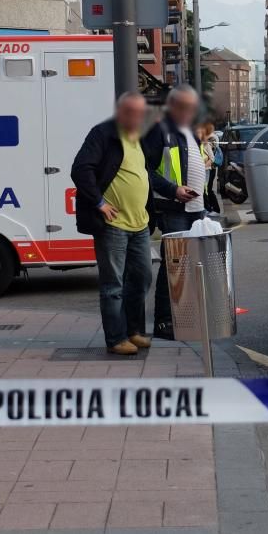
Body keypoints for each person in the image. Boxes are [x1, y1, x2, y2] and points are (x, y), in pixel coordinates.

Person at [71, 92, 153, 355]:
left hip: (139, 223)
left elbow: (143, 173)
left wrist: (173, 190)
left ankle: (134, 331)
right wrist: (99, 203)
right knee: (113, 285)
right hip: (114, 224)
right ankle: (116, 339)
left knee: (140, 279)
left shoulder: (137, 138)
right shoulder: (103, 134)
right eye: (133, 112)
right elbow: (80, 169)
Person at [142, 85, 206, 340]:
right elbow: (145, 170)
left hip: (195, 208)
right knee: (174, 265)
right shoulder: (160, 131)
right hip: (174, 208)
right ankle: (164, 321)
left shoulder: (190, 132)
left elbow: (195, 165)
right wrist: (173, 190)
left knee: (192, 266)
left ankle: (185, 316)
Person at [200, 121, 222, 214]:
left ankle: (212, 209)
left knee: (207, 190)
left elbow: (212, 158)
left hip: (207, 170)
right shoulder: (202, 142)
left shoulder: (208, 142)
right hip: (205, 170)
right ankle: (210, 208)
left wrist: (204, 165)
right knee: (206, 190)